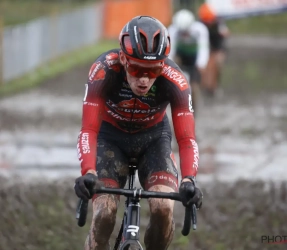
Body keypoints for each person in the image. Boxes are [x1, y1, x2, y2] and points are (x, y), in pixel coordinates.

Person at [74, 16, 203, 250]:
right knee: (104, 213)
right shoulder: (104, 71)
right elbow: (88, 129)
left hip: (153, 140)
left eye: (153, 71)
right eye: (136, 69)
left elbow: (187, 139)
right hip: (110, 138)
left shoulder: (176, 81)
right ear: (123, 59)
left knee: (164, 209)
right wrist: (88, 172)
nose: (144, 80)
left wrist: (189, 179)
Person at [168, 9, 210, 113]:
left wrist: (201, 64)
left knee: (194, 86)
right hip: (181, 57)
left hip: (194, 59)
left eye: (186, 31)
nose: (184, 34)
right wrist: (170, 65)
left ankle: (194, 109)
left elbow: (203, 48)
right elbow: (170, 50)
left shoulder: (201, 29)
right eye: (181, 32)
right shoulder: (172, 30)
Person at [198, 3, 230, 96]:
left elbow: (226, 33)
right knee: (204, 66)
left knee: (218, 64)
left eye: (209, 21)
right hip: (206, 47)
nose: (208, 24)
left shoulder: (219, 23)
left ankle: (215, 86)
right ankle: (204, 86)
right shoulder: (200, 25)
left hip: (218, 48)